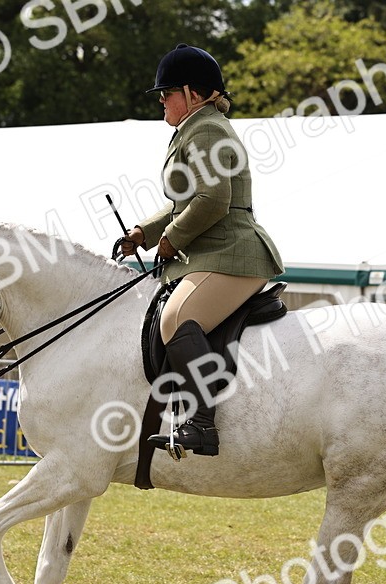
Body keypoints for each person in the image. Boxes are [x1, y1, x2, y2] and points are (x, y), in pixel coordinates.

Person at [120, 44, 284, 457]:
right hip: (213, 253)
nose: (161, 100)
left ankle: (202, 424)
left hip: (233, 252)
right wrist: (144, 232)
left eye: (167, 92)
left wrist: (171, 239)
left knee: (177, 318)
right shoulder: (194, 128)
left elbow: (213, 200)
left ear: (193, 93)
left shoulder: (207, 128)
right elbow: (184, 203)